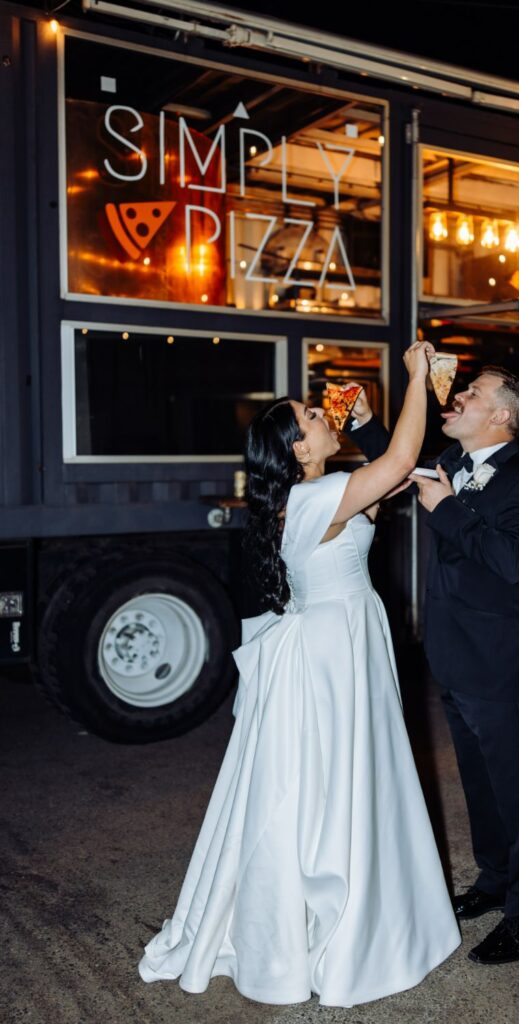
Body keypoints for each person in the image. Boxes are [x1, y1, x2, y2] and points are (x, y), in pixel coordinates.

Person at [137, 340, 461, 1007]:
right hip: (331, 651)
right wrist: (413, 381)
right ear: (298, 450)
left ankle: (345, 902)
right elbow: (400, 462)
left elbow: (391, 478)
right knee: (334, 779)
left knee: (336, 777)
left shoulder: (313, 495)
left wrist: (370, 419)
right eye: (311, 417)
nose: (321, 416)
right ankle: (330, 921)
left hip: (340, 639)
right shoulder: (316, 497)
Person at [349, 366, 519, 965]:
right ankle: (494, 881)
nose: (459, 395)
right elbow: (398, 464)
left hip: (501, 665)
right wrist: (364, 422)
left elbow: (512, 560)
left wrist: (446, 508)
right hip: (454, 655)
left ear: (501, 417)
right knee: (480, 784)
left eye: (473, 393)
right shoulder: (452, 461)